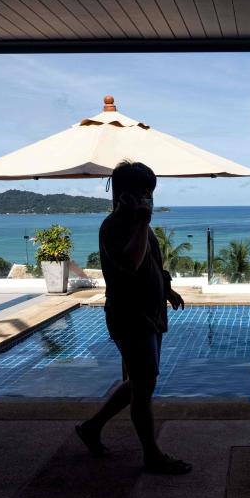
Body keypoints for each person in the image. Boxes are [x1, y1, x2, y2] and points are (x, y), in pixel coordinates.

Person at [76, 160, 192, 475]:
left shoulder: (137, 222)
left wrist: (166, 289)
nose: (148, 198)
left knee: (143, 381)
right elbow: (130, 262)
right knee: (143, 387)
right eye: (143, 192)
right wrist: (142, 223)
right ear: (125, 193)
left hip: (150, 314)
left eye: (149, 192)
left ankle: (92, 427)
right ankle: (152, 455)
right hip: (130, 316)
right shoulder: (114, 226)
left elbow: (152, 262)